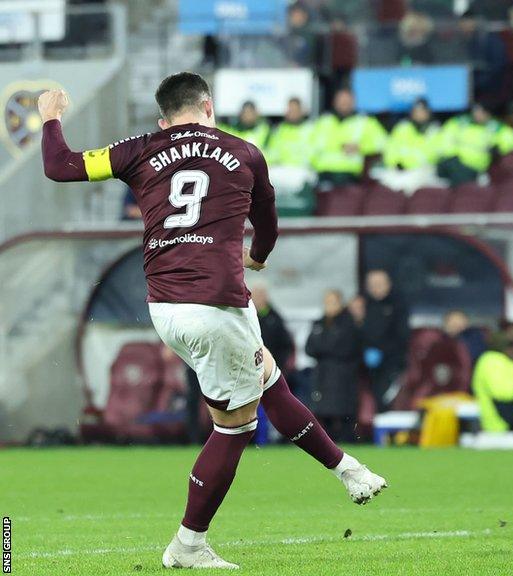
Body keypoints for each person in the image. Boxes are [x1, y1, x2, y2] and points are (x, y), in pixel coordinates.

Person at [38, 73, 386, 570]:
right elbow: (268, 219)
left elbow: (60, 166)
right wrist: (259, 255)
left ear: (164, 119)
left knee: (267, 379)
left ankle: (349, 471)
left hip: (166, 306)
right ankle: (188, 545)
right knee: (235, 428)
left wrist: (51, 116)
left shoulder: (138, 148)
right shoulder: (244, 152)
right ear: (208, 106)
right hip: (217, 304)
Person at [305, 289, 362, 442]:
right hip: (322, 376)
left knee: (344, 413)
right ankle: (329, 445)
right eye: (327, 302)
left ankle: (349, 443)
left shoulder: (349, 323)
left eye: (333, 302)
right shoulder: (319, 322)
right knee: (324, 413)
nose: (330, 306)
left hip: (343, 376)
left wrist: (323, 347)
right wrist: (326, 347)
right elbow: (309, 348)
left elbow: (345, 348)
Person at [312, 87, 388, 187]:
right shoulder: (324, 121)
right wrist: (340, 146)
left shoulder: (364, 122)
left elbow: (383, 143)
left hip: (350, 174)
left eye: (347, 101)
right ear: (335, 102)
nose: (344, 104)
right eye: (341, 100)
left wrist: (360, 147)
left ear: (354, 102)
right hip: (324, 172)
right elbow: (312, 144)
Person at [437, 102, 513, 186]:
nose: (477, 114)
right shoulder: (461, 122)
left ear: (488, 113)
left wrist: (499, 148)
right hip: (453, 160)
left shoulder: (494, 127)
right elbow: (446, 135)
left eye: (481, 112)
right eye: (475, 111)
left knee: (460, 181)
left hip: (474, 165)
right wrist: (452, 153)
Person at [360, 269, 410, 411]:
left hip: (391, 364)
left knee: (386, 400)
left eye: (379, 284)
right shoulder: (364, 305)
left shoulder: (398, 305)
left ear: (388, 284)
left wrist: (382, 351)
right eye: (372, 284)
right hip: (365, 364)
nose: (375, 288)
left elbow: (402, 335)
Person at [250, 284, 295, 380]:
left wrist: (278, 366)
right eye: (255, 295)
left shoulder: (275, 318)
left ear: (266, 296)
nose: (258, 298)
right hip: (250, 370)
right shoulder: (246, 317)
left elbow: (286, 345)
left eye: (260, 294)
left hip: (271, 370)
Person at [265, 97, 315, 169]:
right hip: (281, 168)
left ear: (301, 111)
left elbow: (313, 155)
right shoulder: (280, 130)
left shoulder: (310, 129)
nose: (292, 113)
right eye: (290, 110)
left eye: (295, 110)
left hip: (303, 170)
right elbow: (273, 153)